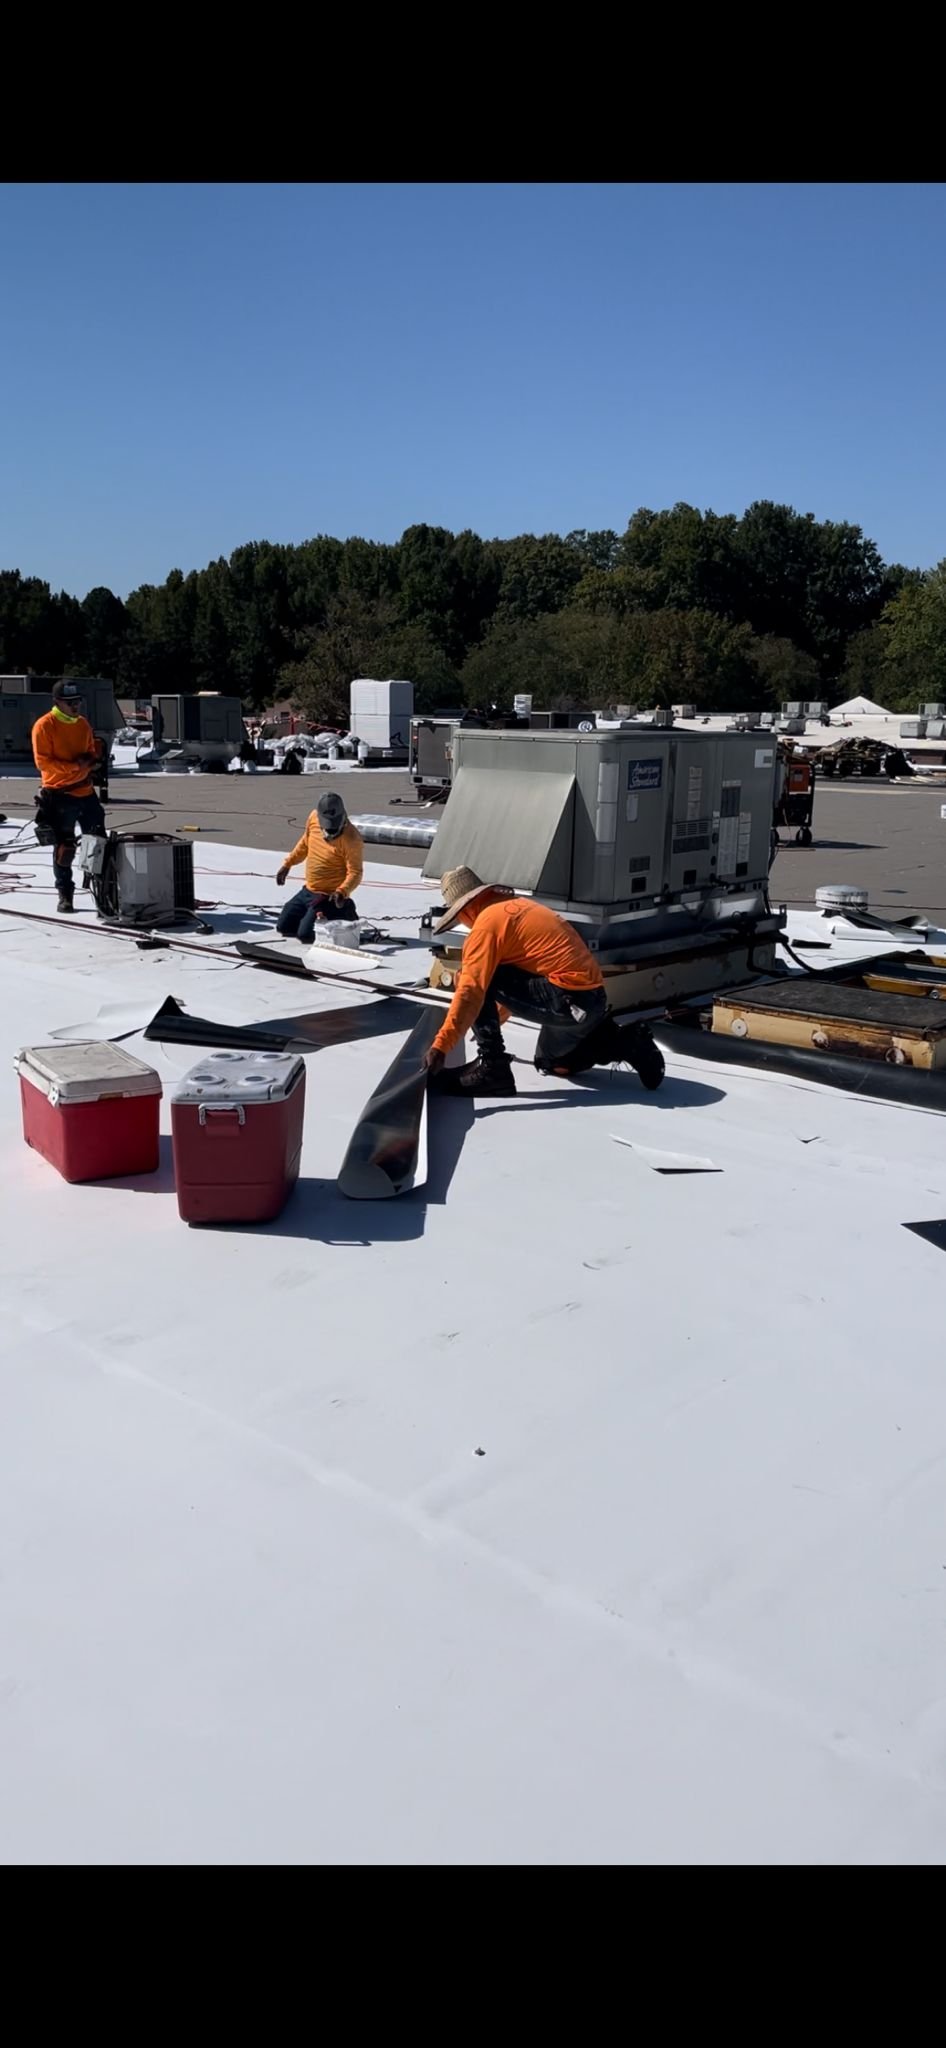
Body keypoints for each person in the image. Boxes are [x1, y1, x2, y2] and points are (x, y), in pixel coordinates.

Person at [423, 866, 665, 1097]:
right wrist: (490, 1021)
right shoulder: (517, 908)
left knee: (475, 975)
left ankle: (493, 1068)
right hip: (590, 1001)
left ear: (464, 910)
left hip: (567, 999)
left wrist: (441, 1046)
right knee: (551, 1062)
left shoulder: (486, 926)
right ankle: (624, 1042)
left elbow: (471, 991)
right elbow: (523, 980)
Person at [31, 680, 106, 913]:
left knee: (98, 844)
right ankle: (65, 894)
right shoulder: (45, 725)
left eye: (77, 701)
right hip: (59, 794)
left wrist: (92, 761)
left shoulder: (82, 724)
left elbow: (91, 751)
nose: (75, 706)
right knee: (65, 848)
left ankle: (103, 892)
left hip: (86, 792)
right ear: (57, 702)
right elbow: (43, 763)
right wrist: (74, 767)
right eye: (69, 702)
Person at [275, 791, 364, 941]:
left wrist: (342, 891)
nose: (331, 831)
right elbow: (305, 843)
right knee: (284, 927)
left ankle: (344, 910)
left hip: (329, 896)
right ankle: (313, 913)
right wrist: (288, 864)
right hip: (308, 890)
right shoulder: (313, 818)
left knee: (305, 935)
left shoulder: (351, 839)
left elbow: (355, 872)